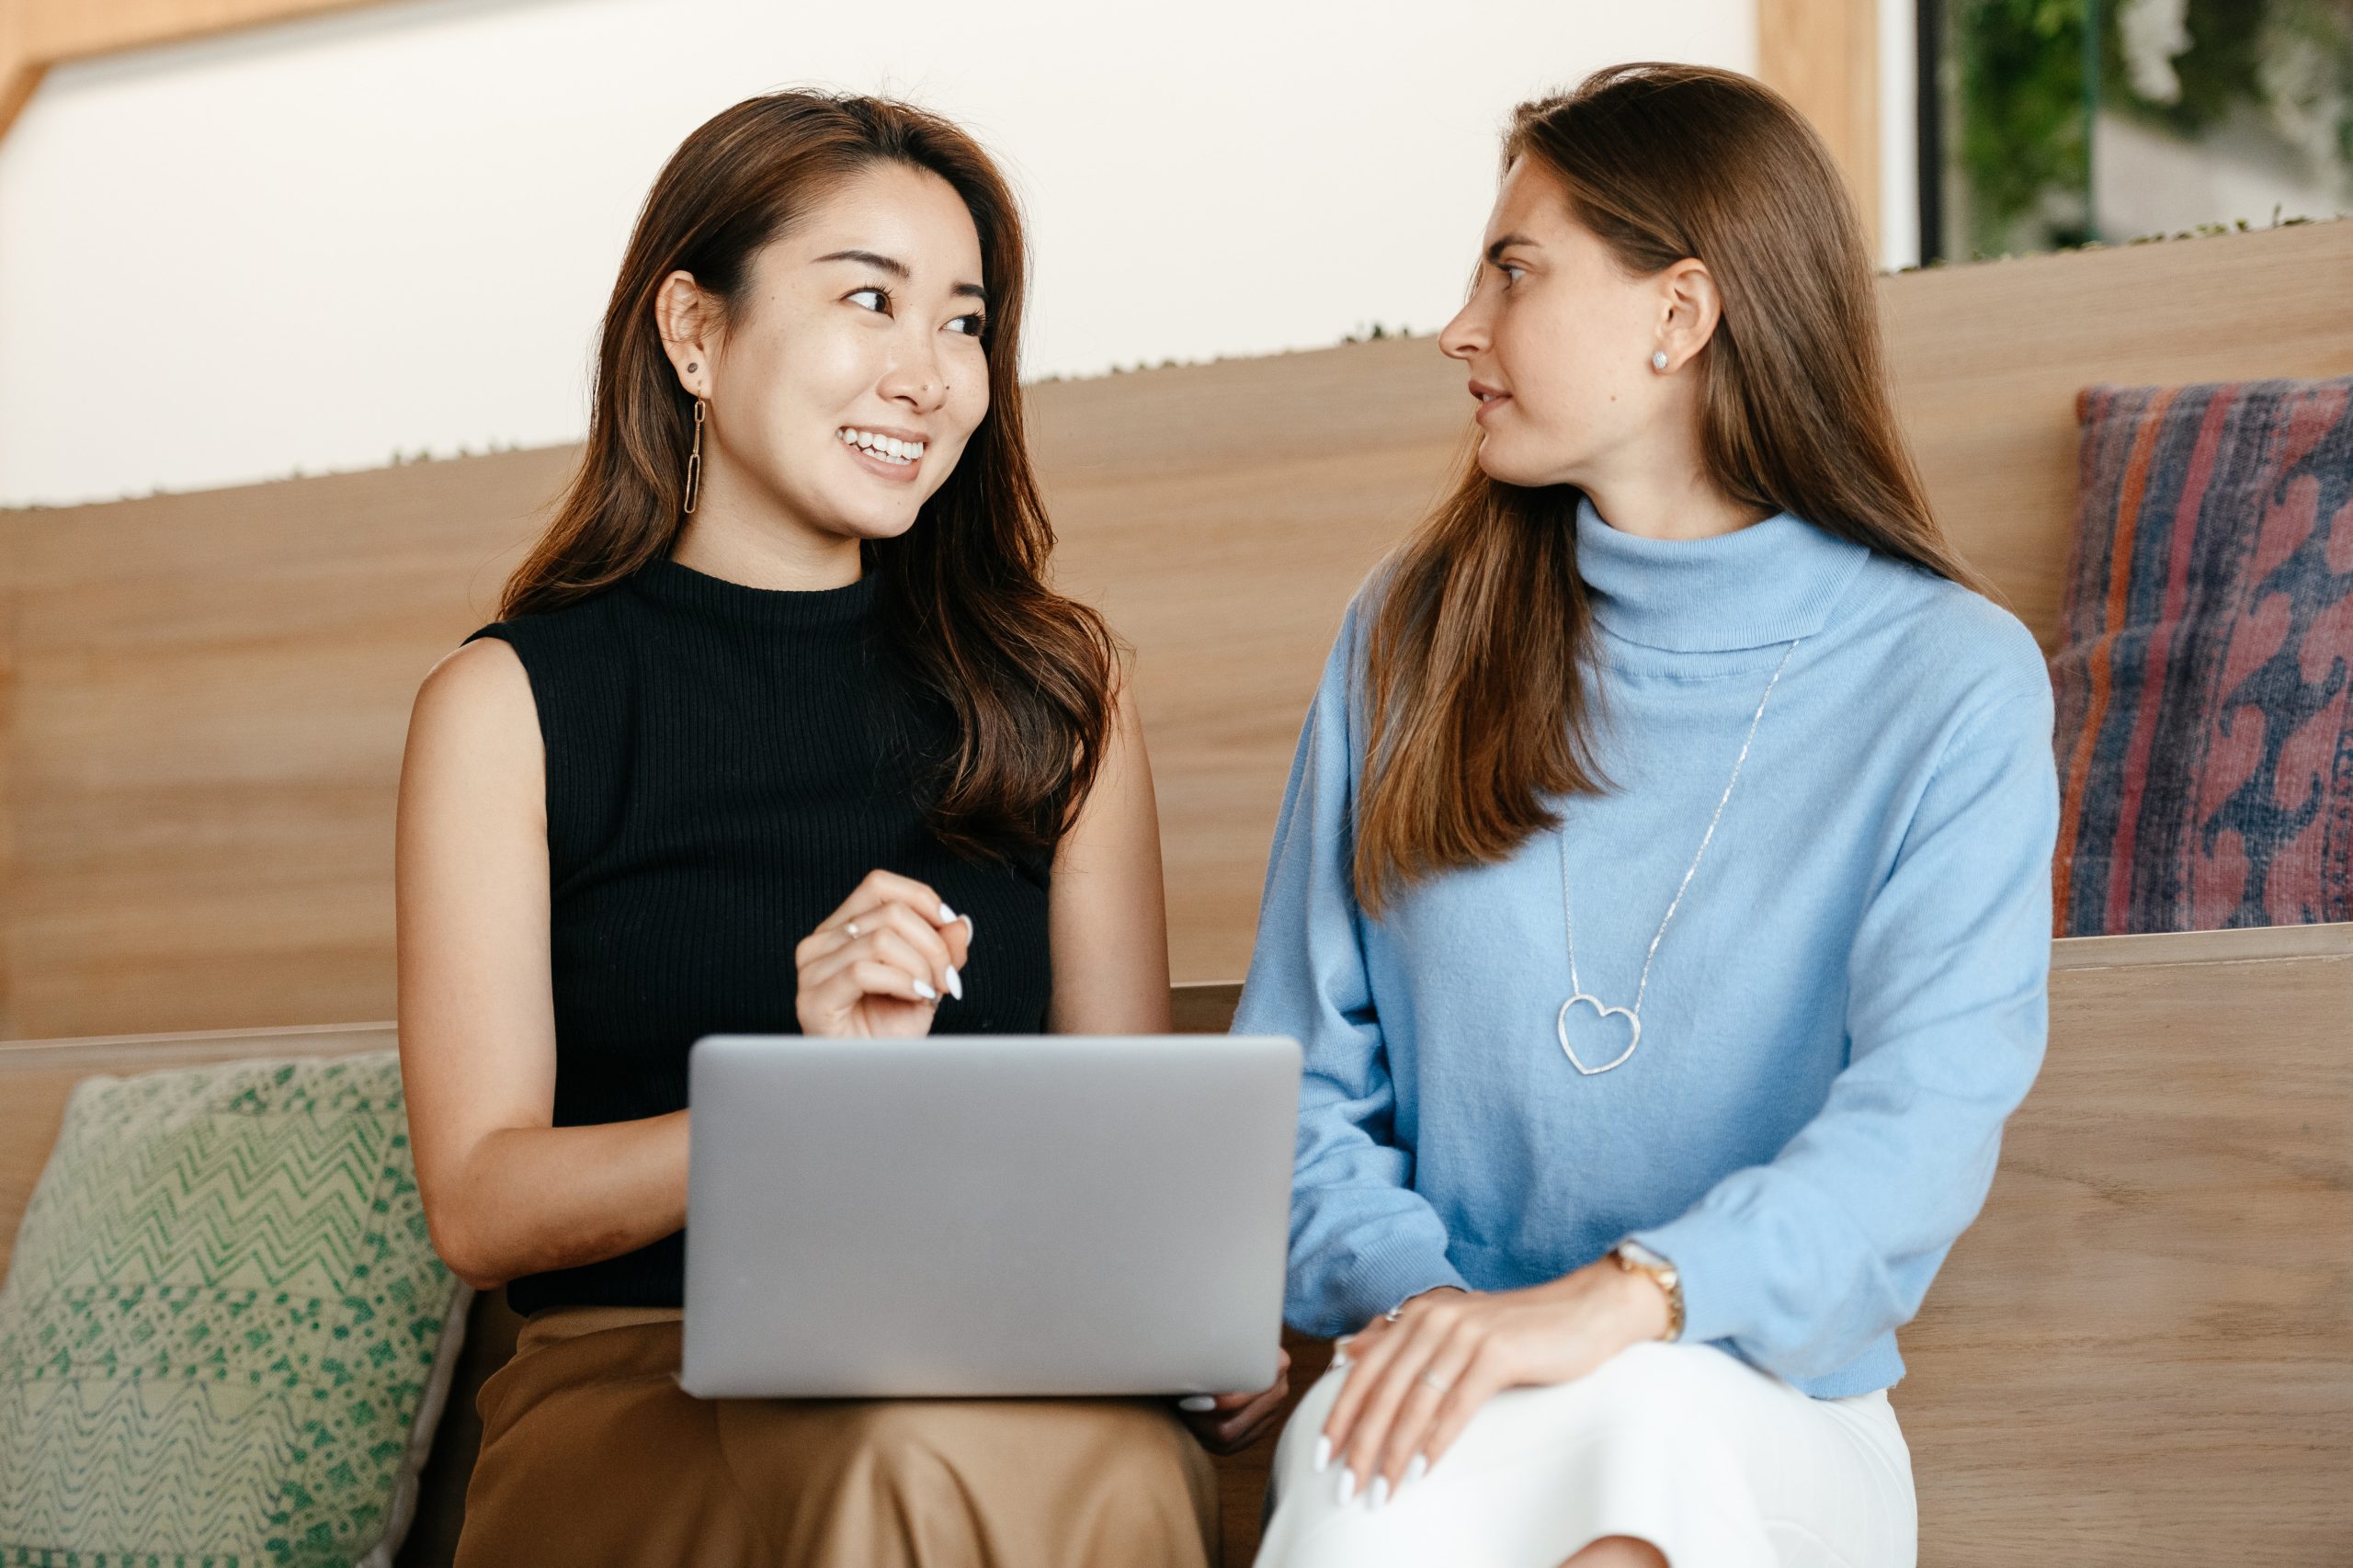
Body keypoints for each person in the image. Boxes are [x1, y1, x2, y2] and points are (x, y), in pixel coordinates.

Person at [394, 91, 1285, 1568]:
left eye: (964, 323)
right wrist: (801, 1106)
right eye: (869, 298)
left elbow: (1113, 1142)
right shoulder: (507, 705)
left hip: (998, 1359)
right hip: (643, 1376)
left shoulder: (1061, 694)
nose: (927, 373)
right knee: (908, 1456)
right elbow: (480, 1200)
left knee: (1092, 1456)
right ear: (694, 330)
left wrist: (1191, 1315)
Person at [1241, 62, 2058, 1568]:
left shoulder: (1951, 680)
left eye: (1513, 270)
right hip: (1445, 1373)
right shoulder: (1406, 637)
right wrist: (1440, 1316)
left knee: (1652, 1444)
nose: (1458, 328)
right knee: (1374, 1488)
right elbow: (1292, 1092)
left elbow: (1923, 1125)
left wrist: (1628, 1300)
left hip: (1763, 1406)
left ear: (1679, 316)